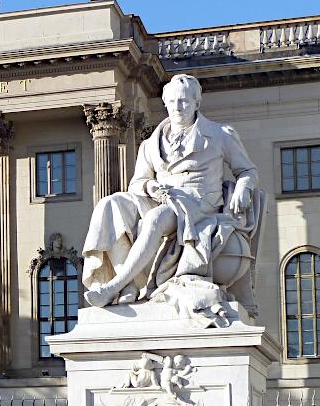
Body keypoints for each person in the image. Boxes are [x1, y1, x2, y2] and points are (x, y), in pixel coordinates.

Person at [81, 74, 259, 309]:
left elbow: (247, 171)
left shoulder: (220, 134)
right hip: (161, 198)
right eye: (173, 101)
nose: (178, 107)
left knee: (154, 219)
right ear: (165, 103)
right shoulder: (150, 144)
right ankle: (130, 285)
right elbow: (137, 183)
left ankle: (113, 287)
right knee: (109, 204)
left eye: (184, 101)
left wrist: (243, 189)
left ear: (197, 103)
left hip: (198, 206)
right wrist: (150, 186)